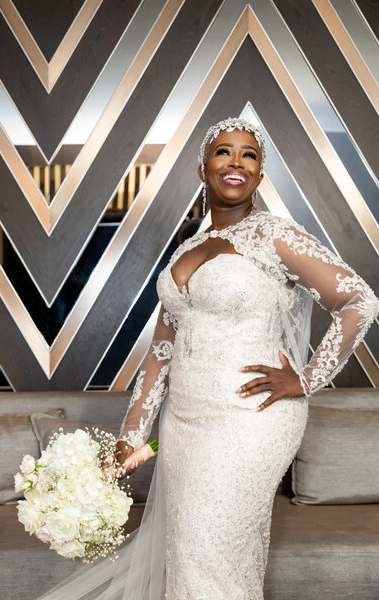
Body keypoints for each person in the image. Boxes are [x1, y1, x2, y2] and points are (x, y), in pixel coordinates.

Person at [39, 117, 379, 600]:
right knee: (189, 553)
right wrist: (131, 437)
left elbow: (359, 300)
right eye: (224, 152)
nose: (236, 162)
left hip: (251, 417)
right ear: (203, 169)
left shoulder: (275, 236)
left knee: (211, 546)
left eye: (249, 155)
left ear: (259, 176)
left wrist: (304, 379)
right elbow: (161, 352)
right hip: (184, 422)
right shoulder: (189, 247)